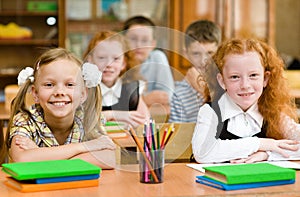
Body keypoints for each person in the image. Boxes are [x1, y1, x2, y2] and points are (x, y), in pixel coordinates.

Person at [192, 38, 300, 164]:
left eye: (253, 75)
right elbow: (202, 153)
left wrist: (266, 154)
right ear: (222, 81)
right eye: (235, 77)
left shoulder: (273, 113)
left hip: (263, 182)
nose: (245, 85)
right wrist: (261, 143)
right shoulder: (211, 112)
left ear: (265, 79)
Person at [5, 48, 116, 169]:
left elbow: (109, 159)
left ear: (83, 94)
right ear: (35, 93)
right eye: (49, 85)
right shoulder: (25, 120)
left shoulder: (88, 119)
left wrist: (39, 156)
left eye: (70, 85)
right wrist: (85, 147)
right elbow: (21, 159)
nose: (59, 92)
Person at [83, 31, 150, 128]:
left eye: (116, 59)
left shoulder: (131, 90)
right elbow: (81, 121)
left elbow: (145, 122)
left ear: (124, 63)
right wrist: (113, 115)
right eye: (102, 58)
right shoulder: (84, 91)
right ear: (90, 60)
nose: (109, 64)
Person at [169, 20, 222, 123]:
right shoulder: (179, 94)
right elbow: (176, 133)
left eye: (210, 53)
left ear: (219, 51)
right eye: (196, 54)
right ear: (186, 53)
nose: (203, 61)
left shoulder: (228, 84)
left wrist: (200, 87)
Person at [122, 15, 175, 108]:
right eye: (133, 39)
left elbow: (167, 96)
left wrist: (136, 100)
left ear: (153, 44)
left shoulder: (158, 57)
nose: (138, 45)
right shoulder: (116, 62)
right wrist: (145, 99)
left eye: (145, 40)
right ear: (123, 41)